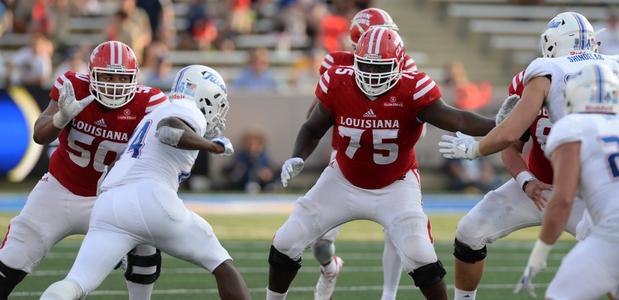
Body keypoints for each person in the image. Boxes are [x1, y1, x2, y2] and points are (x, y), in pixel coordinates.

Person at [440, 12, 619, 300]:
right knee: (470, 231)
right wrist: (527, 182)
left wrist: (476, 149)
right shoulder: (608, 73)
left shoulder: (555, 80)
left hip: (586, 193)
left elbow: (506, 134)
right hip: (536, 187)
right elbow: (511, 145)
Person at [267, 27, 496, 300]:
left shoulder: (412, 88)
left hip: (395, 186)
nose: (373, 75)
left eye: (381, 68)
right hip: (342, 180)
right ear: (355, 61)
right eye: (366, 66)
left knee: (421, 255)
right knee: (285, 241)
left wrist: (501, 125)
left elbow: (457, 119)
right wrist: (297, 155)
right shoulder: (338, 82)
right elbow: (312, 127)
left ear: (398, 64)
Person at [39, 65, 249, 300]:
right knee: (221, 263)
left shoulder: (153, 113)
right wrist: (212, 146)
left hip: (110, 204)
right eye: (218, 102)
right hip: (152, 197)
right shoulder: (187, 108)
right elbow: (168, 129)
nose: (219, 112)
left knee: (76, 283)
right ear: (205, 94)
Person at [0, 41, 167, 299]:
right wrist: (59, 119)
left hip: (112, 199)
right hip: (60, 190)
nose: (114, 84)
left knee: (147, 241)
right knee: (10, 262)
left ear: (134, 78)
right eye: (107, 76)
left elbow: (166, 140)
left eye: (121, 78)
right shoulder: (73, 86)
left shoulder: (149, 101)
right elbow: (39, 135)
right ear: (91, 75)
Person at [516, 63, 619, 299]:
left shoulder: (571, 127)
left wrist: (539, 253)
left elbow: (562, 200)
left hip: (617, 227)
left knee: (559, 295)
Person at [305, 8, 419, 300]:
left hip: (392, 160)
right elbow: (318, 114)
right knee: (319, 239)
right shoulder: (337, 65)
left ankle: (389, 295)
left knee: (397, 228)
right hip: (346, 160)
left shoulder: (405, 65)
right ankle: (330, 268)